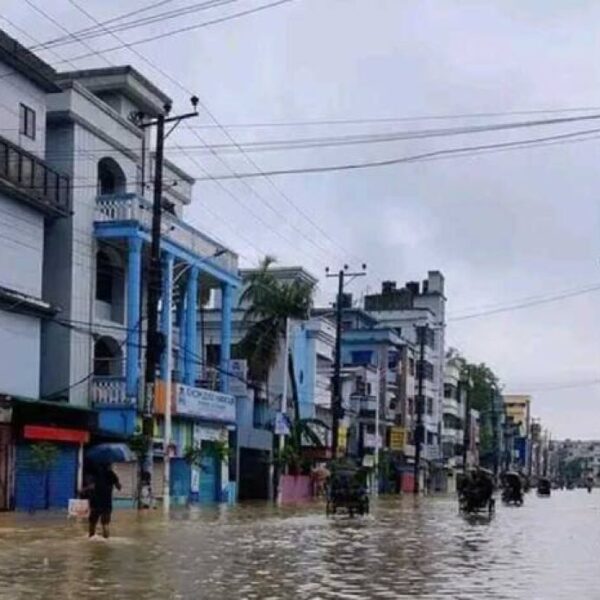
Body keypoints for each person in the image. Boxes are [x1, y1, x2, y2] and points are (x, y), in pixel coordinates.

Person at [86, 463, 121, 539]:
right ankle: (106, 540)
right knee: (105, 524)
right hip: (107, 503)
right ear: (109, 466)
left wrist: (83, 490)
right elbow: (119, 487)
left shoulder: (95, 474)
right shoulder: (112, 474)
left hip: (95, 502)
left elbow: (91, 486)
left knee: (92, 523)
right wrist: (115, 481)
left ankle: (91, 538)